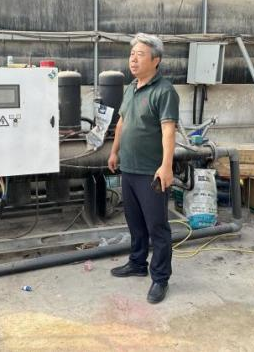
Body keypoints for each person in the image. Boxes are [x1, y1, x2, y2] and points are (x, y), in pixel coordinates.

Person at [108, 32, 180, 304]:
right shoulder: (131, 88)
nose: (133, 60)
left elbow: (168, 130)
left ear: (156, 60)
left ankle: (160, 278)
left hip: (152, 172)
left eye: (140, 55)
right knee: (135, 222)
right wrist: (114, 152)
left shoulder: (164, 91)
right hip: (129, 168)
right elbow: (122, 123)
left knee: (157, 227)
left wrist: (166, 166)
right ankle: (137, 263)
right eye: (131, 55)